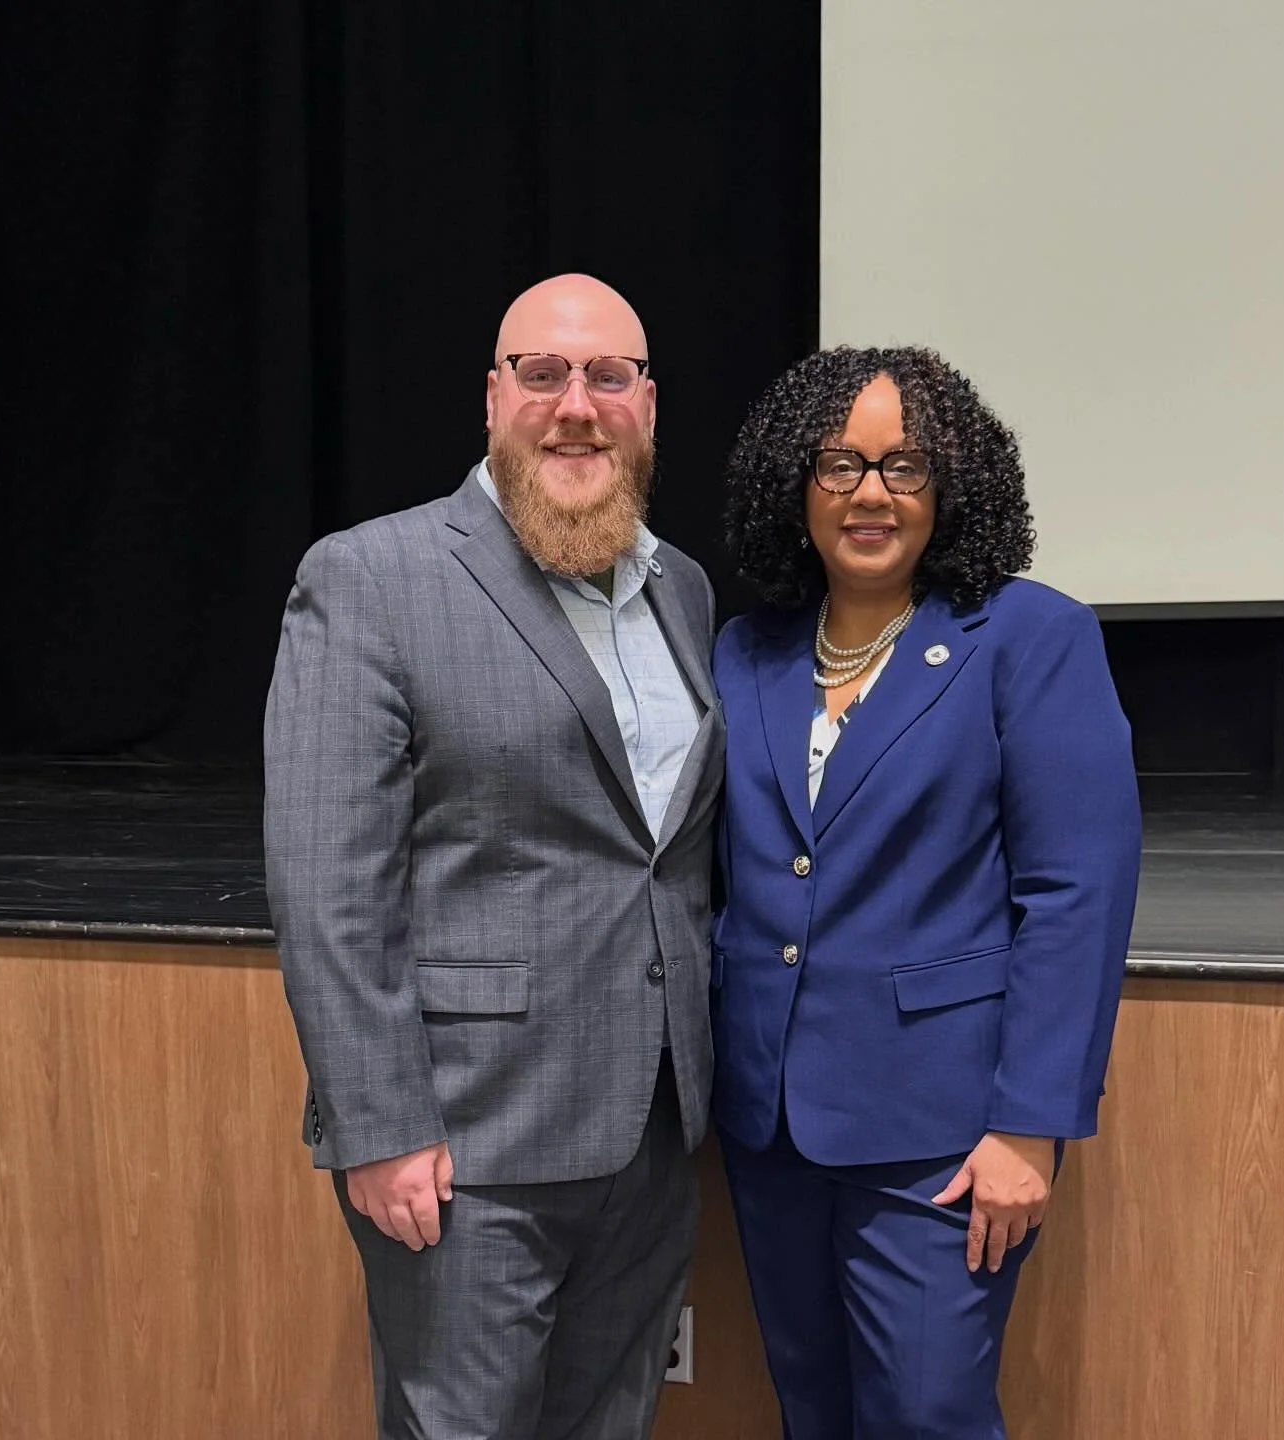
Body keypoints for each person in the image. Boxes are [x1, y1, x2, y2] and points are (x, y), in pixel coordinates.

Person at [263, 274, 725, 1440]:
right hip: (470, 1151)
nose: (577, 404)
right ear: (492, 396)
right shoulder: (372, 578)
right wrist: (379, 1127)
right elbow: (327, 881)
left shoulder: (684, 591)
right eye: (543, 373)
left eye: (608, 376)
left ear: (648, 404)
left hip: (654, 1135)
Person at [711, 346, 1141, 1438]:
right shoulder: (744, 653)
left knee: (927, 1415)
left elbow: (1074, 891)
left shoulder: (1031, 638)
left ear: (951, 487)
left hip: (942, 1141)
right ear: (793, 482)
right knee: (813, 1412)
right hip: (771, 1128)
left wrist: (1031, 1127)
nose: (869, 493)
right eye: (839, 463)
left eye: (903, 466)